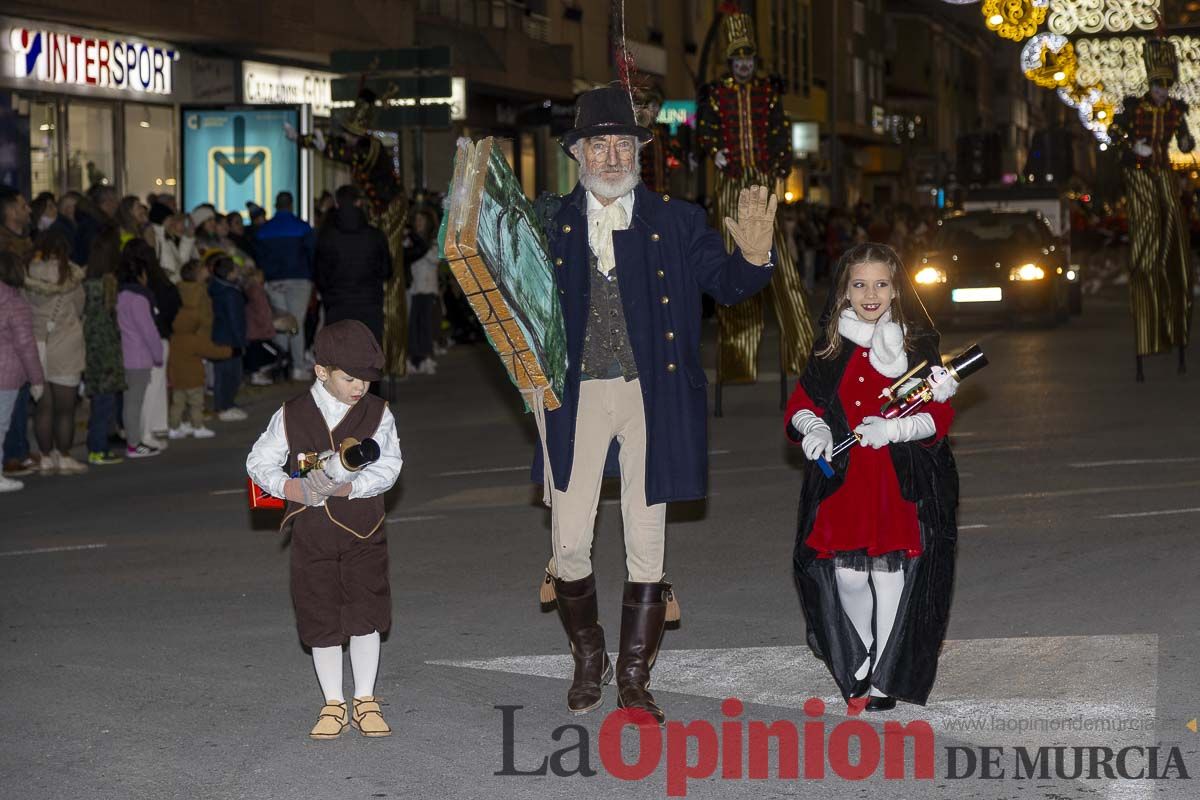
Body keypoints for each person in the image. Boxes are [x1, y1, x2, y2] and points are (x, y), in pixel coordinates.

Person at [533, 86, 777, 723]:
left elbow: (727, 285)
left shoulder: (677, 219)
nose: (611, 156)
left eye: (622, 144)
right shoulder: (550, 220)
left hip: (654, 394)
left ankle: (634, 676)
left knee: (647, 538)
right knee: (569, 542)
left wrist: (753, 257)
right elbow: (516, 306)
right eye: (598, 144)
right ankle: (590, 659)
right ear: (577, 152)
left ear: (639, 151)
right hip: (576, 393)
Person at [785, 242, 959, 711]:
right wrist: (814, 427)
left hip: (896, 479)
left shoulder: (915, 346)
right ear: (843, 291)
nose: (870, 293)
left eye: (881, 284)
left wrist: (895, 429)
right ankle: (860, 653)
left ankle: (885, 670)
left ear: (897, 290)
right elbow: (802, 404)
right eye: (859, 284)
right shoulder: (830, 346)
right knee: (846, 576)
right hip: (845, 481)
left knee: (890, 577)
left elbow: (938, 419)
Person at [245, 319, 403, 739]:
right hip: (312, 532)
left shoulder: (378, 412)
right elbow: (257, 462)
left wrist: (354, 484)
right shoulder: (292, 414)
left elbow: (390, 465)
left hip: (364, 528)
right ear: (321, 371)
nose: (359, 387)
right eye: (349, 378)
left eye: (367, 379)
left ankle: (365, 697)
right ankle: (333, 701)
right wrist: (288, 486)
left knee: (366, 612)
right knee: (320, 613)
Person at [696, 10, 813, 385]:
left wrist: (780, 165)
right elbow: (704, 131)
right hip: (731, 184)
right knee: (734, 261)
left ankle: (802, 353)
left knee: (779, 264)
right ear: (730, 62)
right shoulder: (716, 94)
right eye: (738, 60)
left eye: (748, 59)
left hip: (761, 182)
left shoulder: (768, 92)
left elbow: (780, 133)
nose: (744, 65)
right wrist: (713, 149)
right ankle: (736, 361)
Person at [1109, 35, 1195, 380]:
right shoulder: (1134, 108)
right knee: (1146, 252)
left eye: (1166, 84)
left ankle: (1176, 328)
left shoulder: (1176, 110)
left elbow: (1185, 142)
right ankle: (1150, 329)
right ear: (1150, 84)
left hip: (1165, 179)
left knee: (1173, 244)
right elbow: (1114, 134)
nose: (1162, 90)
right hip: (1141, 180)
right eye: (1158, 84)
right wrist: (1133, 146)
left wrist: (1186, 142)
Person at [24, 230, 87, 475]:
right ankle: (64, 456)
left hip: (35, 345)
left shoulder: (27, 273)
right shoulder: (70, 275)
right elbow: (80, 306)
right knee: (65, 409)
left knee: (43, 407)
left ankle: (46, 457)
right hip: (66, 344)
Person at [315, 185, 392, 345]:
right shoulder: (375, 236)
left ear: (336, 204)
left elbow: (319, 273)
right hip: (369, 303)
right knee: (368, 354)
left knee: (340, 354)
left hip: (337, 304)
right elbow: (386, 270)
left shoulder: (326, 236)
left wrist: (329, 293)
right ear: (359, 203)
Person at [255, 191, 316, 381]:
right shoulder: (303, 228)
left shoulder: (264, 230)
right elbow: (312, 254)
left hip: (274, 281)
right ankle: (297, 367)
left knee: (280, 323)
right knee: (296, 323)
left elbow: (259, 257)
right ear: (291, 205)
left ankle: (279, 363)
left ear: (276, 205)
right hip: (299, 280)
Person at [0, 251, 46, 492]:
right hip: (5, 374)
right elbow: (26, 345)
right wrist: (36, 379)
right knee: (0, 425)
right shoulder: (15, 303)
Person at [168, 260, 228, 439]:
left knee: (179, 395)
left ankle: (179, 423)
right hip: (198, 336)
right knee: (195, 390)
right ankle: (196, 423)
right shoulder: (200, 291)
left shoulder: (179, 288)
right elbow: (203, 316)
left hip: (182, 339)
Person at [82, 226, 126, 465]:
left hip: (93, 350)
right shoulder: (105, 286)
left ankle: (98, 444)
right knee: (103, 402)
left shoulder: (88, 283)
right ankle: (97, 447)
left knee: (101, 401)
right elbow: (106, 325)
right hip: (104, 352)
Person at [116, 242, 165, 458]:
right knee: (134, 403)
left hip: (126, 355)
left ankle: (132, 441)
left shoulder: (121, 296)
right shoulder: (139, 299)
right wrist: (158, 355)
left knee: (130, 402)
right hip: (139, 357)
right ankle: (134, 444)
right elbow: (149, 331)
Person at [140, 243, 181, 448]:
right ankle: (151, 428)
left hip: (148, 338)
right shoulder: (161, 281)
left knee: (150, 386)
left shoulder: (144, 283)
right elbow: (174, 302)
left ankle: (150, 428)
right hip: (159, 336)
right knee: (154, 385)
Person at [207, 253, 248, 421]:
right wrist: (241, 341)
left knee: (223, 374)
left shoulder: (214, 289)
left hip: (219, 336)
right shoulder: (230, 293)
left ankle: (225, 404)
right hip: (230, 339)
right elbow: (235, 318)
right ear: (230, 273)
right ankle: (224, 406)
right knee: (230, 375)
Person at [405, 207, 440, 375]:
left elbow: (435, 259)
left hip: (427, 288)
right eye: (416, 221)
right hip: (413, 288)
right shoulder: (410, 241)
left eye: (421, 221)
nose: (418, 224)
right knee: (413, 325)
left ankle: (426, 357)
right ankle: (413, 358)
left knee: (425, 324)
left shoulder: (432, 241)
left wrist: (421, 246)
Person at [242, 266, 279, 386]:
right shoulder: (257, 291)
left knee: (255, 354)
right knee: (274, 354)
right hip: (259, 332)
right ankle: (257, 375)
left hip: (251, 331)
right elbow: (262, 312)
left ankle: (256, 374)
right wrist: (268, 329)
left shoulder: (247, 289)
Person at [156, 212, 197, 284]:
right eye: (180, 221)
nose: (185, 225)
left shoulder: (187, 240)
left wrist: (188, 237)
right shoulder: (167, 242)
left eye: (186, 222)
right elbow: (181, 265)